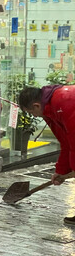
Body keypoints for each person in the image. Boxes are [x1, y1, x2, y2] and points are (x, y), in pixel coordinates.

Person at [19, 84, 75, 224]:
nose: (34, 116)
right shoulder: (48, 111)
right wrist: (61, 171)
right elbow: (65, 142)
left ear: (36, 106)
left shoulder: (63, 101)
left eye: (31, 113)